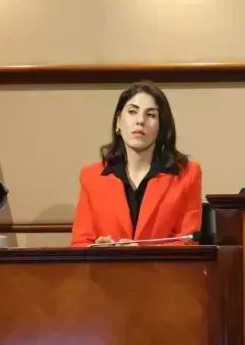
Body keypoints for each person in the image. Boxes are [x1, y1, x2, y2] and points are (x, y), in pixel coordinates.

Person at [70, 81, 203, 247]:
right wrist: (98, 251)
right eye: (132, 112)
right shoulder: (91, 176)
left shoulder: (187, 174)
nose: (140, 121)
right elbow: (80, 243)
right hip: (107, 264)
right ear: (118, 121)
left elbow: (188, 242)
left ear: (161, 127)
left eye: (151, 115)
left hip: (162, 265)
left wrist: (142, 254)